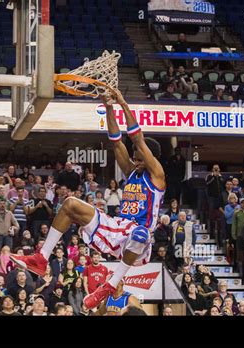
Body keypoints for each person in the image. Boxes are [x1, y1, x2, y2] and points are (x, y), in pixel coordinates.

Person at [10, 91, 166, 309]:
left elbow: (137, 139)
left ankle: (110, 285)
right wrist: (109, 106)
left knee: (140, 233)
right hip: (118, 228)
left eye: (140, 159)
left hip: (139, 241)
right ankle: (41, 257)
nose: (136, 162)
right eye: (135, 159)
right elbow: (116, 142)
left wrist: (122, 102)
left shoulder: (158, 176)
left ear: (150, 159)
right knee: (70, 203)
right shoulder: (132, 171)